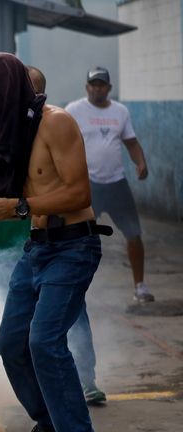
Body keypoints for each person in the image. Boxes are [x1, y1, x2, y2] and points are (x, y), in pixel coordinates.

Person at [0, 53, 110, 432]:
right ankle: (49, 422)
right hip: (36, 249)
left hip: (73, 246)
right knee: (10, 344)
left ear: (8, 89)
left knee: (44, 342)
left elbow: (80, 194)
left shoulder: (57, 123)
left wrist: (18, 206)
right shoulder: (8, 132)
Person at [65, 67, 153, 303]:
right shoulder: (74, 110)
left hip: (116, 183)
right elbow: (60, 140)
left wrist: (141, 162)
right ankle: (73, 285)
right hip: (88, 184)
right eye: (93, 84)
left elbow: (131, 142)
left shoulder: (120, 111)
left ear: (109, 88)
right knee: (76, 236)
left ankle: (140, 286)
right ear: (87, 87)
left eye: (101, 84)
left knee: (134, 234)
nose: (97, 88)